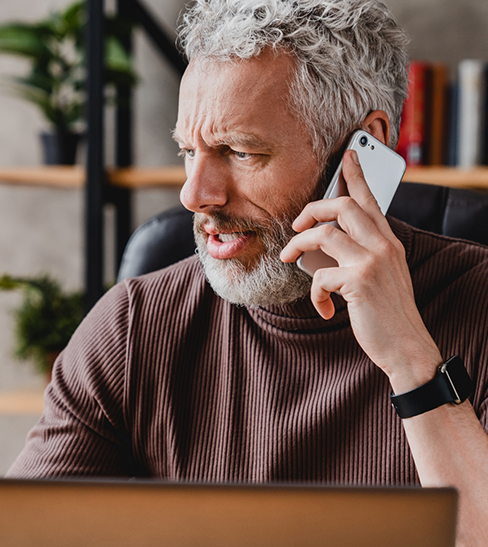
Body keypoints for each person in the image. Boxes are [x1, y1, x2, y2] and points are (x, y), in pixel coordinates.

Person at [8, 1, 488, 544]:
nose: (194, 194)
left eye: (239, 151)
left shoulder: (480, 306)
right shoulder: (131, 329)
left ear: (366, 146)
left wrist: (409, 356)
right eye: (189, 151)